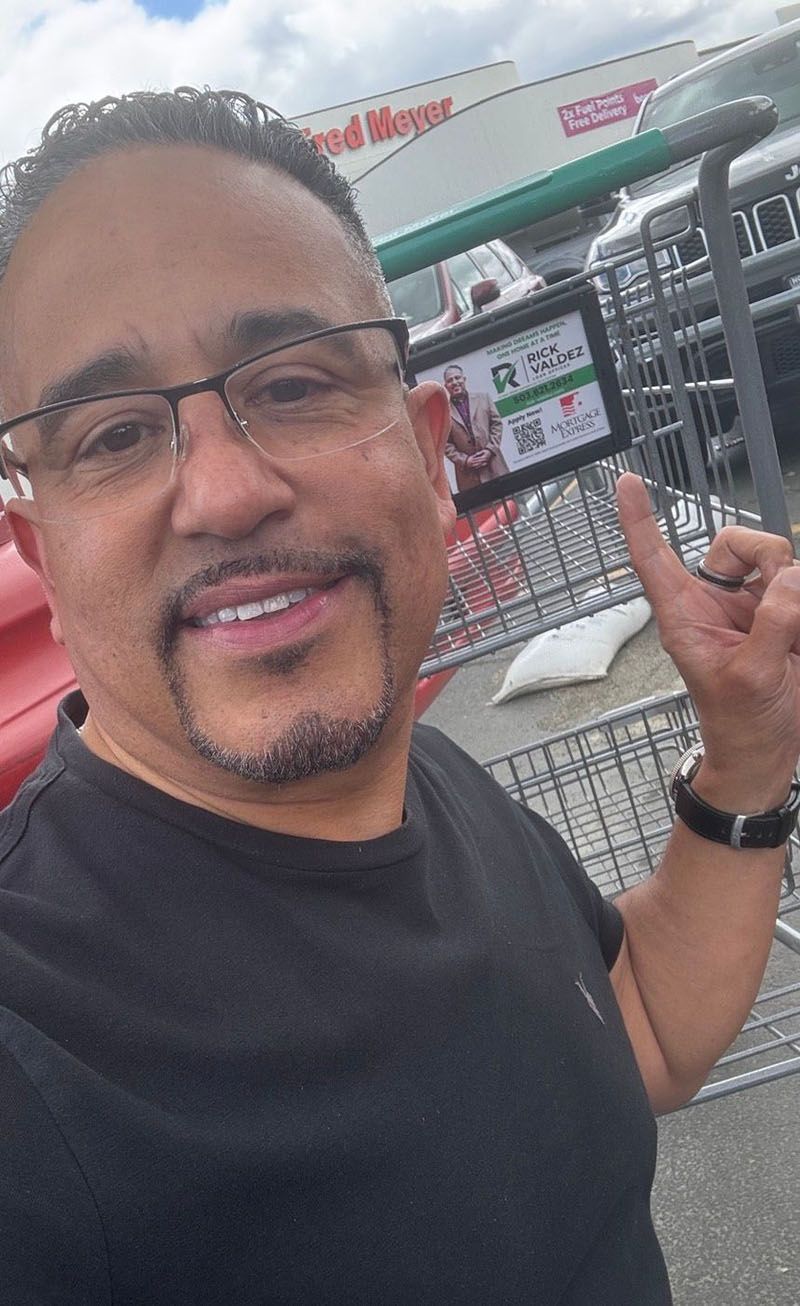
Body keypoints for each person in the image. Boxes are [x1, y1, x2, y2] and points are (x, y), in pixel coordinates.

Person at [0, 90, 799, 1306]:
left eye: (293, 383)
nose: (223, 492)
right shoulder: (37, 1050)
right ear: (42, 556)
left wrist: (743, 760)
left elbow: (634, 1029)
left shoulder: (413, 769)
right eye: (109, 434)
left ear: (433, 460)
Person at [443, 363, 510, 491]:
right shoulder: (443, 412)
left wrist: (490, 450)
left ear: (464, 379)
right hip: (469, 478)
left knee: (511, 503)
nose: (455, 382)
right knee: (483, 510)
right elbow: (445, 444)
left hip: (495, 467)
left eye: (458, 378)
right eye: (450, 380)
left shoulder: (483, 398)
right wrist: (465, 460)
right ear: (446, 386)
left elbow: (496, 424)